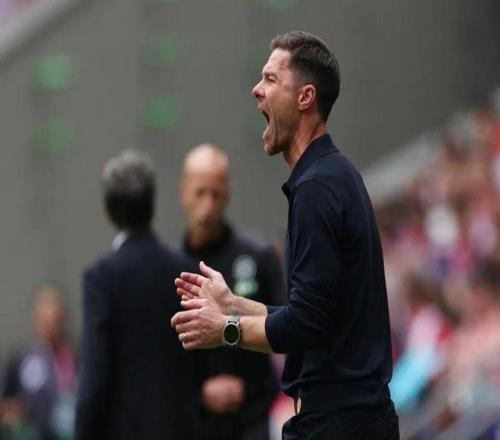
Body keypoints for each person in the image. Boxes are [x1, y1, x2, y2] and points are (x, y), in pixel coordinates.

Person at [171, 31, 399, 439]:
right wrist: (233, 303)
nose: (256, 90)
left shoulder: (317, 188)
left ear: (305, 97)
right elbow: (313, 315)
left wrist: (225, 328)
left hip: (340, 423)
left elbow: (304, 325)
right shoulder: (332, 176)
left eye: (271, 79)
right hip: (353, 419)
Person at [75, 150, 200, 440]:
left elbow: (94, 374)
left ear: (107, 209)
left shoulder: (101, 278)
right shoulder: (186, 271)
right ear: (152, 205)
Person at [179, 144, 283, 440]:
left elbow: (287, 329)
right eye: (200, 193)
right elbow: (159, 356)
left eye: (216, 194)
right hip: (195, 426)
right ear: (183, 193)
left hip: (253, 419)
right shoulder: (170, 268)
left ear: (228, 194)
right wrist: (199, 394)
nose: (208, 205)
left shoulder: (258, 256)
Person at [0, 283, 77, 440]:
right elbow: (7, 403)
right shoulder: (20, 358)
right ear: (35, 318)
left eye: (56, 319)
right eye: (45, 319)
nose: (51, 325)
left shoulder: (77, 358)